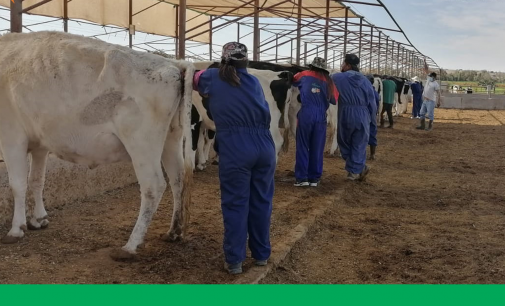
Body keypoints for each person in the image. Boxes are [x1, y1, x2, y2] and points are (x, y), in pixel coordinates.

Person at [193, 42, 276, 275]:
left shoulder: (212, 77)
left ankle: (235, 260)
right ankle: (261, 255)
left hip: (237, 146)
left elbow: (191, 78)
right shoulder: (255, 82)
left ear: (224, 59)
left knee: (236, 203)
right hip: (265, 145)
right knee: (261, 202)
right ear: (246, 61)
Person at [292, 57, 338, 187]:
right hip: (321, 116)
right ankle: (314, 178)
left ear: (312, 66)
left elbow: (293, 80)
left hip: (306, 114)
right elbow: (334, 100)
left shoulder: (304, 74)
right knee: (317, 147)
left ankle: (302, 178)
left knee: (302, 146)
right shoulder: (330, 82)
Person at [332, 54, 377, 181]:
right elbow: (372, 103)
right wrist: (372, 120)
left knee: (344, 141)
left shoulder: (337, 77)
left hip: (345, 112)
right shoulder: (366, 81)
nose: (341, 66)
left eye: (343, 63)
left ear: (348, 65)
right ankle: (357, 169)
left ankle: (355, 170)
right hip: (363, 114)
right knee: (359, 142)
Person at [366, 74, 380, 160]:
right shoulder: (375, 92)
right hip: (373, 115)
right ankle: (372, 154)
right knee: (372, 134)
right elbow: (377, 104)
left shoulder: (364, 90)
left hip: (364, 115)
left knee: (361, 135)